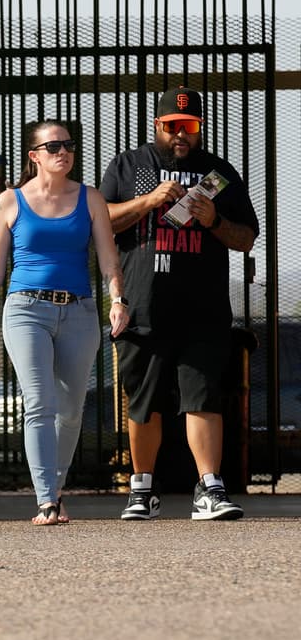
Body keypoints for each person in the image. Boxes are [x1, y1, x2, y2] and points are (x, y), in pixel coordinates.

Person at [100, 86, 259, 521]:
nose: (181, 136)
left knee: (203, 399)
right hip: (144, 306)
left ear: (200, 128)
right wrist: (149, 201)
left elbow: (246, 238)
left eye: (189, 127)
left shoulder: (218, 172)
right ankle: (142, 490)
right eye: (172, 127)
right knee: (143, 401)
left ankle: (209, 489)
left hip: (203, 309)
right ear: (158, 125)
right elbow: (101, 221)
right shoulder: (129, 166)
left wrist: (214, 220)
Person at [0, 121, 130, 525]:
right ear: (34, 155)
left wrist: (117, 299)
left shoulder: (90, 198)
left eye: (69, 145)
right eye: (53, 146)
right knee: (40, 403)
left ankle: (54, 489)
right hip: (25, 310)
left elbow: (109, 256)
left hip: (78, 310)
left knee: (72, 409)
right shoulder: (10, 201)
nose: (63, 152)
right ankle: (46, 500)